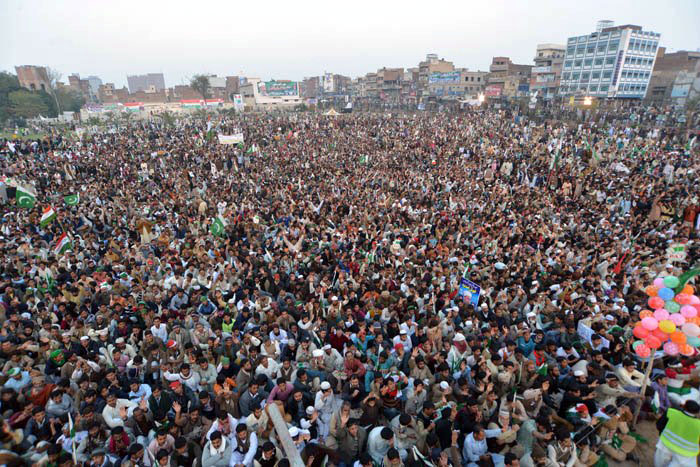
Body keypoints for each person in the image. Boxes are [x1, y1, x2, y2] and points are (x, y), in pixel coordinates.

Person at [655, 400, 700, 467]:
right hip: (686, 454)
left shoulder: (671, 412)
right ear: (697, 412)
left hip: (665, 445)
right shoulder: (698, 424)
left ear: (684, 406)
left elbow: (659, 425)